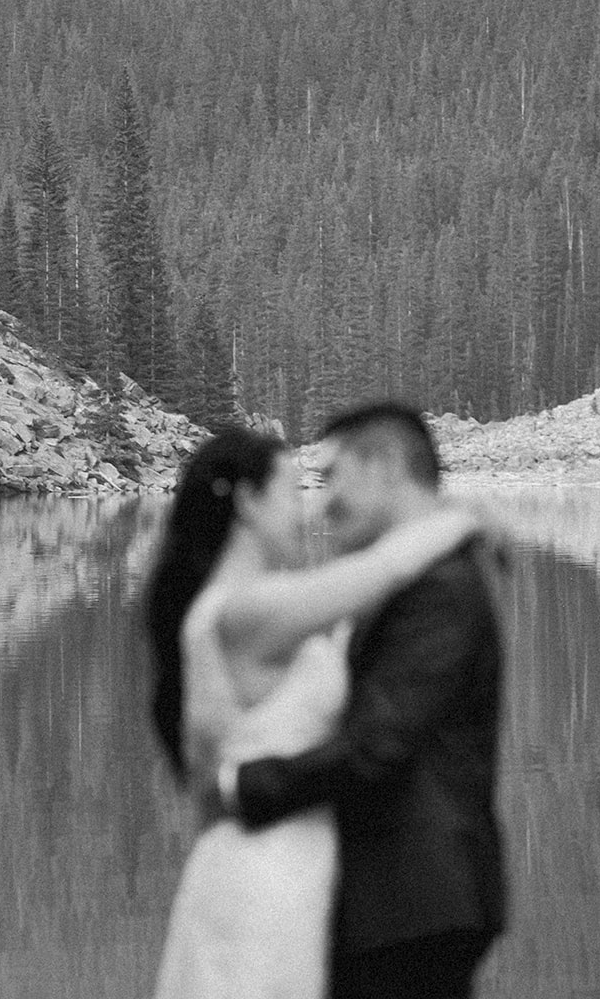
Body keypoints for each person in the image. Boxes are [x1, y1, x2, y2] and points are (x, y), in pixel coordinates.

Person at [146, 422, 481, 999]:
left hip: (267, 860)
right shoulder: (252, 608)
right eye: (293, 491)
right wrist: (466, 520)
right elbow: (387, 570)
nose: (309, 511)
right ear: (250, 503)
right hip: (270, 871)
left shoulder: (218, 610)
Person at [226, 402, 506, 999]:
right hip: (402, 902)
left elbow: (379, 745)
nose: (320, 502)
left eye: (331, 476)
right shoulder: (418, 576)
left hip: (415, 901)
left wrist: (242, 788)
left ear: (381, 466)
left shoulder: (441, 590)